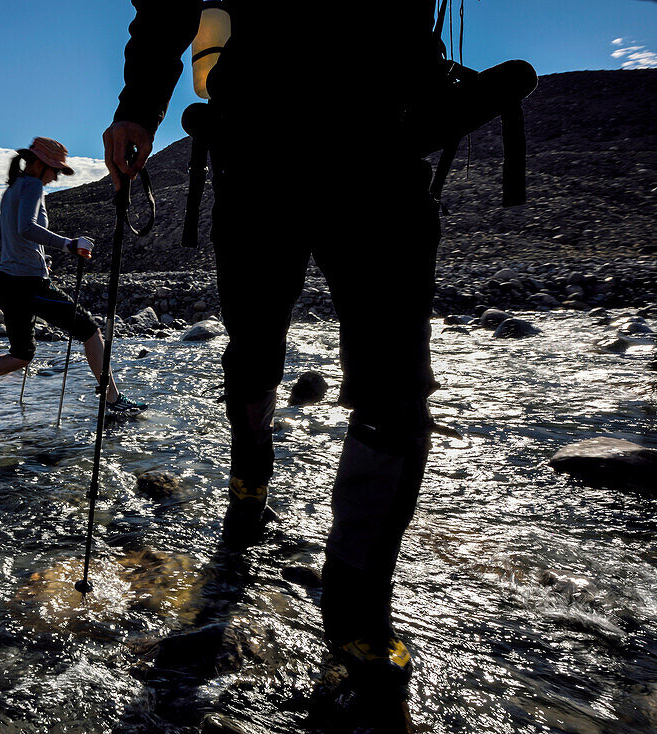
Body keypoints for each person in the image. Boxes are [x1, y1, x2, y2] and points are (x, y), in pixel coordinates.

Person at [104, 3, 443, 683]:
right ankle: (249, 480)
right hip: (261, 149)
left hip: (381, 142)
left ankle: (358, 611)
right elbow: (168, 1)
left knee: (395, 382)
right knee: (255, 347)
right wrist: (138, 107)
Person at [0, 137, 147, 418]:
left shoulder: (11, 189)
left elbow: (1, 242)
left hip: (8, 282)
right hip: (28, 284)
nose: (56, 177)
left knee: (22, 354)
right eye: (55, 170)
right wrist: (68, 244)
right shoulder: (33, 185)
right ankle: (113, 400)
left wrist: (36, 257)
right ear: (41, 164)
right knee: (89, 329)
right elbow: (27, 228)